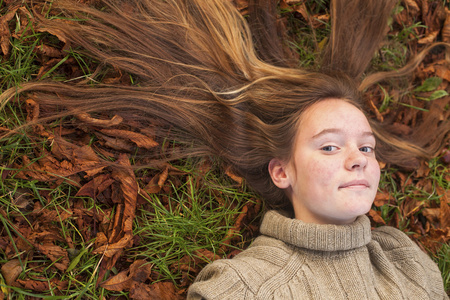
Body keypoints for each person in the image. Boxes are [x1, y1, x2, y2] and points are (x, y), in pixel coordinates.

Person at [1, 0, 448, 298]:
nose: (359, 159)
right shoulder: (248, 287)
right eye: (330, 146)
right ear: (281, 172)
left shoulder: (409, 264)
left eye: (367, 149)